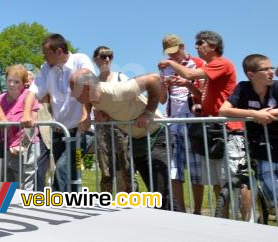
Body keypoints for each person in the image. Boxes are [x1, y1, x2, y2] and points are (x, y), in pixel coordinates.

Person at [159, 30, 251, 219]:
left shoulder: (220, 63)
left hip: (228, 128)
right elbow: (202, 97)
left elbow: (190, 72)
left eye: (200, 43)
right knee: (219, 181)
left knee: (236, 179)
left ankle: (247, 222)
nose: (197, 47)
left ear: (213, 46)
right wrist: (190, 88)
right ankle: (223, 220)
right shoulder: (211, 67)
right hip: (212, 129)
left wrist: (170, 63)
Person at [69, 69, 171, 209]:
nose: (72, 94)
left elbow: (153, 79)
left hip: (156, 137)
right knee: (149, 191)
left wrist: (148, 113)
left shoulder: (117, 91)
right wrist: (86, 115)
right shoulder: (93, 96)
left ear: (87, 87)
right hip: (136, 139)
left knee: (161, 193)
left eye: (73, 90)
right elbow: (89, 102)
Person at [220, 54, 278, 229]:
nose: (272, 72)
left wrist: (273, 114)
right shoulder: (243, 88)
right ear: (251, 74)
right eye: (266, 69)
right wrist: (255, 114)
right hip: (262, 155)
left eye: (272, 68)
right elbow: (223, 109)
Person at [21, 33, 96, 192]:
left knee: (64, 167)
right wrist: (26, 113)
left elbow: (88, 85)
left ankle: (56, 204)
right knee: (72, 172)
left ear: (59, 51)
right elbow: (33, 92)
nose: (43, 57)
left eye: (46, 53)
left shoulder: (80, 60)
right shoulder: (46, 68)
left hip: (81, 131)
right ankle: (74, 208)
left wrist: (85, 114)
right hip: (59, 131)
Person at [158, 34, 206, 213]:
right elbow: (162, 100)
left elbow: (203, 96)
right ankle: (181, 211)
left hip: (193, 122)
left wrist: (186, 84)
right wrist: (163, 85)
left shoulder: (198, 64)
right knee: (174, 170)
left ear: (182, 46)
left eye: (175, 51)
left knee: (196, 170)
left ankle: (198, 211)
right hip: (173, 122)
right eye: (169, 53)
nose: (173, 56)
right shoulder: (164, 68)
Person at [91, 45, 133, 194]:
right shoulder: (92, 82)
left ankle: (132, 206)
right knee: (106, 171)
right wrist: (96, 114)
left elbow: (131, 100)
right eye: (103, 56)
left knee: (126, 170)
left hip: (122, 128)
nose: (107, 59)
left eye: (110, 56)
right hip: (102, 130)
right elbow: (89, 106)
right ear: (96, 59)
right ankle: (106, 205)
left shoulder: (121, 77)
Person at [0, 65, 41, 189]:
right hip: (6, 147)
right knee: (6, 184)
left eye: (16, 82)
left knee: (25, 184)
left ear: (24, 83)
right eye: (9, 80)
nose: (12, 84)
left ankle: (24, 208)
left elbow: (32, 126)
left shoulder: (29, 97)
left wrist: (22, 147)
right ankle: (6, 207)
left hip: (26, 146)